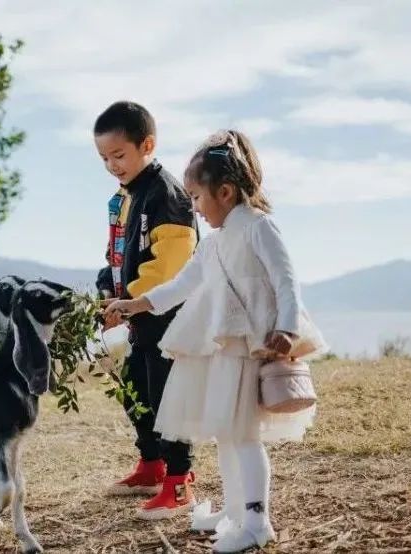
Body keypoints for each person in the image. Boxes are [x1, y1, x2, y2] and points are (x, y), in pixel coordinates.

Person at [105, 129, 326, 552]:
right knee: (227, 433)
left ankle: (257, 522)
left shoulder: (259, 227)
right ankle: (233, 511)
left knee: (244, 437)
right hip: (225, 349)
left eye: (197, 198)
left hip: (252, 348)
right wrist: (136, 304)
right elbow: (183, 283)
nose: (194, 208)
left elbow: (286, 279)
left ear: (225, 192)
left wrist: (287, 328)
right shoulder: (216, 242)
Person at [94, 101, 198, 519]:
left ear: (147, 145)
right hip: (138, 314)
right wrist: (106, 290)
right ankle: (152, 464)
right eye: (104, 158)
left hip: (169, 315)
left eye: (119, 155)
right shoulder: (122, 198)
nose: (112, 165)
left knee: (167, 394)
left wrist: (129, 299)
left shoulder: (167, 196)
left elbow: (170, 266)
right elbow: (114, 255)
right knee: (134, 385)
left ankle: (179, 480)